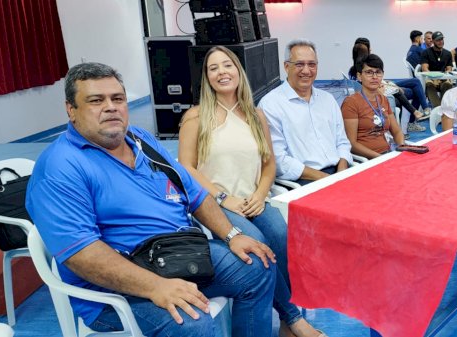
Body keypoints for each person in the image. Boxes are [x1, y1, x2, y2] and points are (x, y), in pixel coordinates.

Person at [25, 62, 277, 337]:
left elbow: (194, 193)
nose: (111, 107)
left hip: (177, 254)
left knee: (258, 265)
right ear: (71, 110)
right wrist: (155, 286)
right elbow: (81, 255)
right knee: (190, 320)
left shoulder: (140, 140)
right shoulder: (60, 167)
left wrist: (231, 234)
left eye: (117, 99)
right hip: (118, 290)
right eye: (96, 101)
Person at [177, 46, 325, 337]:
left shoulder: (256, 115)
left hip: (253, 201)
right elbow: (186, 169)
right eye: (214, 68)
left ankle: (285, 325)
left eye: (227, 65)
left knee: (282, 238)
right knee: (257, 245)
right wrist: (222, 198)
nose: (222, 72)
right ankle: (294, 319)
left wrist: (259, 194)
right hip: (215, 205)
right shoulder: (196, 117)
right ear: (206, 78)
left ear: (238, 71)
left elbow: (269, 164)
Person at [259, 39, 353, 185]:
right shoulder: (270, 105)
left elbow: (342, 142)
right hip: (304, 180)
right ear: (286, 66)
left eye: (312, 64)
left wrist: (341, 172)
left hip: (340, 172)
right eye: (299, 64)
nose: (306, 70)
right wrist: (327, 179)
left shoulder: (327, 100)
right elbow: (278, 160)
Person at [350, 43, 427, 134]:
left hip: (384, 85)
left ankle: (417, 113)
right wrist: (388, 86)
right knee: (412, 89)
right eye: (369, 49)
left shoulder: (354, 68)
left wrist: (387, 83)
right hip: (382, 90)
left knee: (414, 84)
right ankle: (419, 113)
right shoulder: (362, 69)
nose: (371, 50)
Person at [342, 54, 405, 159]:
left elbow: (397, 131)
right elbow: (351, 144)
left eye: (378, 72)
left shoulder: (383, 99)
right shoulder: (351, 103)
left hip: (388, 153)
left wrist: (402, 148)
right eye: (369, 72)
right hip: (368, 159)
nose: (375, 77)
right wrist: (380, 158)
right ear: (359, 76)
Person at [420, 31, 454, 107]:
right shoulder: (426, 52)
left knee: (447, 84)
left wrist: (443, 77)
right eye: (438, 40)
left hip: (443, 78)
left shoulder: (447, 53)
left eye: (441, 39)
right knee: (429, 85)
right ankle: (438, 108)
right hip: (430, 78)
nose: (440, 42)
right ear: (433, 41)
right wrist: (434, 78)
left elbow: (449, 69)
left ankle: (444, 107)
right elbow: (425, 69)